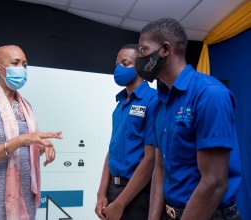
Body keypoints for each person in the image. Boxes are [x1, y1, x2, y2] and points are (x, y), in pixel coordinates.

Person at [134, 18, 242, 220]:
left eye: (143, 50)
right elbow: (159, 168)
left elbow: (214, 183)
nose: (138, 58)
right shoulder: (160, 103)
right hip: (170, 213)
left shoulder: (210, 94)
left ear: (165, 49)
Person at [0, 45, 62, 220]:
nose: (22, 69)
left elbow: (23, 148)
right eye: (15, 63)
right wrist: (20, 141)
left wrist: (39, 147)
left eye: (24, 65)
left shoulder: (26, 107)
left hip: (25, 203)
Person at [95, 44, 157, 220]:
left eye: (125, 63)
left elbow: (150, 159)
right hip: (112, 191)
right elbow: (112, 150)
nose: (118, 68)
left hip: (136, 194)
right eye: (117, 63)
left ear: (140, 66)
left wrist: (121, 203)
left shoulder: (152, 101)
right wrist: (101, 193)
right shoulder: (120, 104)